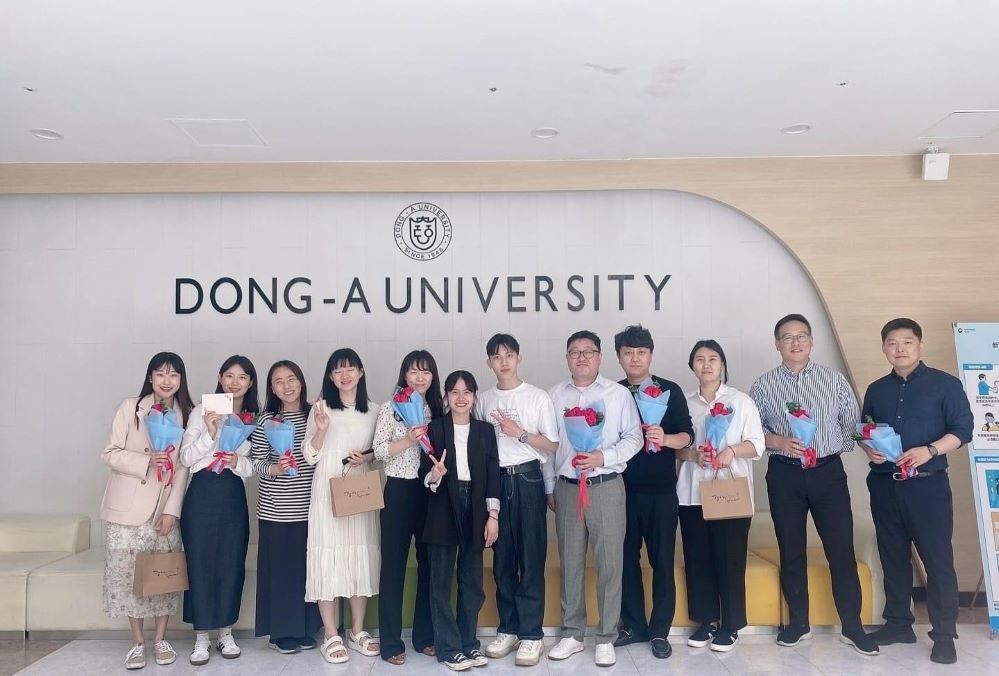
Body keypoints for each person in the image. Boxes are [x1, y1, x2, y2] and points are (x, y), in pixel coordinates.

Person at [749, 314, 877, 656]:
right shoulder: (762, 386)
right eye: (787, 337)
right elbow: (751, 433)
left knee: (841, 549)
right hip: (784, 474)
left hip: (827, 473)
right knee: (791, 550)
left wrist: (872, 448)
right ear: (777, 344)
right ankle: (798, 624)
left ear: (811, 341)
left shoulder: (834, 381)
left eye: (801, 336)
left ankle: (852, 626)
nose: (795, 342)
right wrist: (778, 440)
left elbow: (851, 424)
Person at [860, 318, 973, 665]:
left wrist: (931, 450)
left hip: (927, 486)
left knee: (937, 561)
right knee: (892, 557)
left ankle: (944, 635)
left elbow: (963, 430)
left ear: (920, 345)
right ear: (884, 348)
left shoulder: (945, 385)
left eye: (907, 342)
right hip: (885, 485)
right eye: (892, 343)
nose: (900, 349)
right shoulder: (876, 389)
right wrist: (868, 448)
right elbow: (864, 429)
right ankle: (898, 624)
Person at [545, 330, 643, 667]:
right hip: (568, 488)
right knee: (570, 563)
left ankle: (606, 636)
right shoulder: (554, 395)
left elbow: (635, 439)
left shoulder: (618, 394)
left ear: (600, 357)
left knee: (610, 564)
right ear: (567, 359)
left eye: (589, 351)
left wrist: (604, 456)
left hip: (606, 486)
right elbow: (550, 447)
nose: (582, 357)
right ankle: (573, 633)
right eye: (575, 352)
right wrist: (549, 486)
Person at [101, 352, 194, 670]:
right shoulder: (131, 408)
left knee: (163, 575)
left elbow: (182, 467)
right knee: (130, 576)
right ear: (150, 377)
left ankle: (161, 639)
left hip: (162, 510)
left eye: (174, 375)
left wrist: (172, 510)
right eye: (161, 374)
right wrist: (146, 461)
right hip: (127, 509)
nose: (167, 381)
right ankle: (138, 642)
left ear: (181, 380)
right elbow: (109, 453)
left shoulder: (186, 414)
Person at [474, 334, 559, 666]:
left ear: (519, 358)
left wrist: (519, 433)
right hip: (496, 482)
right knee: (503, 559)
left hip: (528, 479)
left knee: (531, 557)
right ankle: (508, 628)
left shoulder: (537, 397)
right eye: (497, 357)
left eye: (509, 355)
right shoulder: (482, 400)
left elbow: (552, 445)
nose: (504, 362)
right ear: (489, 363)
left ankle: (532, 635)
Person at [612, 325, 694, 659]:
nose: (635, 358)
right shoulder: (613, 393)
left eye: (641, 352)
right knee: (625, 561)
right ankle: (633, 626)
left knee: (662, 561)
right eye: (628, 353)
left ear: (650, 355)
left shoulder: (670, 390)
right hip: (621, 492)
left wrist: (666, 438)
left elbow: (687, 435)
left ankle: (660, 631)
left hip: (661, 492)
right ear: (619, 357)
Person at [677, 340, 764, 653]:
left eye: (713, 359)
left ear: (723, 364)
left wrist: (731, 451)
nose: (706, 364)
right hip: (692, 493)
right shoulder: (684, 403)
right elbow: (676, 448)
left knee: (730, 559)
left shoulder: (741, 402)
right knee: (697, 559)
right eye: (699, 359)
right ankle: (706, 621)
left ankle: (731, 625)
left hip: (730, 493)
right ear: (692, 366)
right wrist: (693, 455)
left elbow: (757, 444)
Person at [303, 349, 382, 663]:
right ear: (330, 376)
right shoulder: (321, 408)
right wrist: (322, 430)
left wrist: (368, 456)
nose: (345, 375)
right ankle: (331, 633)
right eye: (338, 370)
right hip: (327, 487)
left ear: (361, 373)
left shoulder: (375, 410)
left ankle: (357, 630)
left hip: (360, 488)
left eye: (350, 369)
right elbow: (309, 455)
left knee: (359, 554)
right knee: (327, 555)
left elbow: (382, 453)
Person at [179, 355, 259, 665]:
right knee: (199, 563)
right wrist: (210, 434)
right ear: (220, 378)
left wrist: (237, 462)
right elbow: (186, 458)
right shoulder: (201, 411)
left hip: (232, 494)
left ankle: (226, 632)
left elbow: (254, 467)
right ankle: (201, 636)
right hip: (201, 493)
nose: (235, 382)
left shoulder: (251, 419)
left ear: (250, 383)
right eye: (229, 375)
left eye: (242, 377)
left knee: (231, 562)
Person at [421, 371, 501, 671]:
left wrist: (493, 516)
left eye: (467, 391)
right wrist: (435, 475)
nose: (461, 397)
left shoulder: (485, 431)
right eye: (454, 392)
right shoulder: (435, 428)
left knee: (472, 581)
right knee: (440, 582)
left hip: (477, 506)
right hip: (442, 503)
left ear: (475, 396)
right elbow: (424, 474)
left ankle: (469, 643)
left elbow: (493, 474)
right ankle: (448, 648)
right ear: (446, 396)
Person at [373, 350, 444, 665]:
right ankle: (390, 642)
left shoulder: (437, 409)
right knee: (393, 567)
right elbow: (378, 451)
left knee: (429, 565)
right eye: (414, 371)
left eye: (426, 372)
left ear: (433, 377)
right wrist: (409, 440)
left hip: (430, 491)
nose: (420, 377)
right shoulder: (391, 408)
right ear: (404, 375)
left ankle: (424, 636)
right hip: (399, 490)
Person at [249, 360, 322, 654]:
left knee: (307, 570)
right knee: (280, 572)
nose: (287, 386)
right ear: (272, 388)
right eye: (278, 381)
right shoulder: (266, 420)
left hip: (312, 508)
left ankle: (306, 628)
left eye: (291, 379)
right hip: (276, 509)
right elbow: (255, 462)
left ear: (301, 381)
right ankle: (281, 633)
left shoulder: (315, 414)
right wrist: (276, 469)